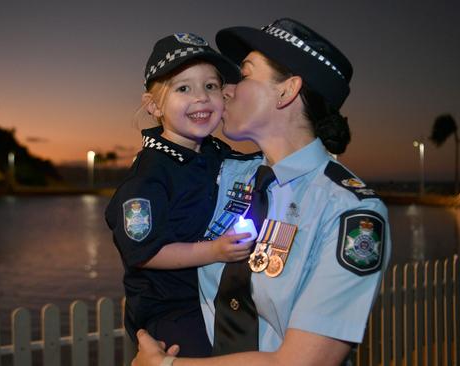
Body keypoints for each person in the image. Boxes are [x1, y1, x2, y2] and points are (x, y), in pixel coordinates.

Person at [131, 18, 391, 366]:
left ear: (287, 91)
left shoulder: (349, 213)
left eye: (246, 74)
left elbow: (302, 363)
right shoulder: (222, 174)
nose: (226, 90)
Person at [104, 32, 253, 357]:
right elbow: (145, 253)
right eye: (184, 88)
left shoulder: (212, 151)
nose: (201, 97)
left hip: (212, 295)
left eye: (210, 86)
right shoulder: (149, 177)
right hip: (170, 310)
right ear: (154, 105)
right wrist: (214, 251)